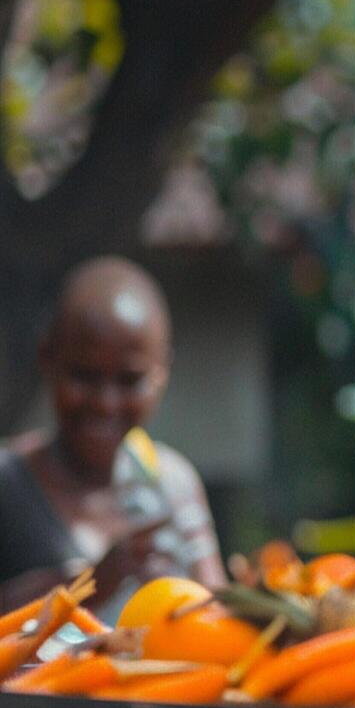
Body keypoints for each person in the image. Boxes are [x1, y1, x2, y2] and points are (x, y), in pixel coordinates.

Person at [0, 257, 225, 616]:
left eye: (130, 380)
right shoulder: (10, 484)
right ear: (47, 359)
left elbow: (217, 616)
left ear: (162, 373)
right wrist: (89, 586)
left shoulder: (173, 483)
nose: (106, 403)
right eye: (85, 376)